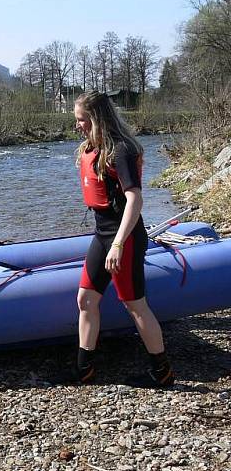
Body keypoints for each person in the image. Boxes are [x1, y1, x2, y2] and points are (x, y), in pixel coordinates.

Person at [70, 90, 174, 388]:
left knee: (134, 304)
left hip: (123, 236)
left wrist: (117, 243)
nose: (78, 126)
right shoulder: (93, 148)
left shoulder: (121, 151)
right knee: (86, 299)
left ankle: (162, 371)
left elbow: (135, 200)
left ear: (97, 119)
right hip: (103, 233)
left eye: (82, 120)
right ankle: (84, 369)